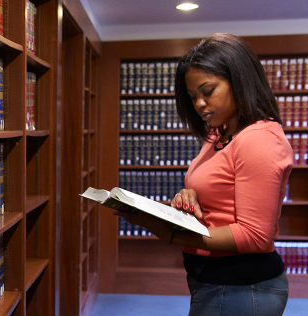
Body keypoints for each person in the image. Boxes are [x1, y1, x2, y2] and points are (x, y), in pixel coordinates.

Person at [118, 33, 292, 316]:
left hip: (242, 287)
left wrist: (176, 234)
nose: (198, 104)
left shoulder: (259, 139)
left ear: (239, 80)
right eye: (192, 96)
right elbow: (223, 191)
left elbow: (254, 235)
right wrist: (189, 198)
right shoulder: (220, 132)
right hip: (213, 282)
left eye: (207, 91)